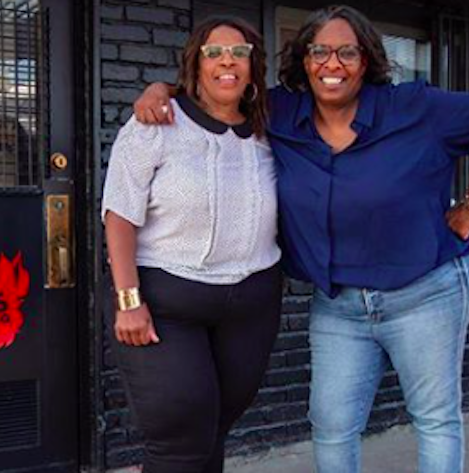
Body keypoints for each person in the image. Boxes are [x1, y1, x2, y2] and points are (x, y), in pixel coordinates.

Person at [133, 5, 469, 473]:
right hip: (339, 301)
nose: (332, 64)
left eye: (347, 52)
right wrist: (162, 90)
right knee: (331, 423)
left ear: (367, 61)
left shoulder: (416, 107)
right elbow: (220, 88)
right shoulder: (281, 111)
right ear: (304, 60)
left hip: (426, 290)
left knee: (434, 418)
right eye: (320, 51)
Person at [101, 16, 282, 473]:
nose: (227, 61)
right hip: (166, 304)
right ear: (195, 63)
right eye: (214, 52)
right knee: (180, 437)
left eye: (239, 53)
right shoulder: (156, 122)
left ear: (253, 65)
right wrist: (128, 299)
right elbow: (119, 214)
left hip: (251, 306)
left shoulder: (271, 129)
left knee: (212, 428)